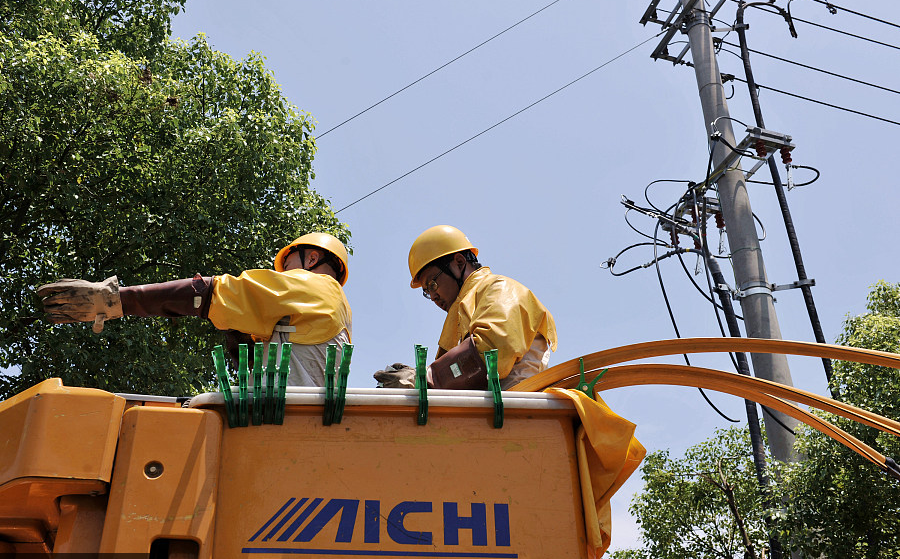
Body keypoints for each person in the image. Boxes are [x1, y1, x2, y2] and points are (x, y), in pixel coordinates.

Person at [37, 232, 352, 387]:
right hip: (303, 424)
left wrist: (117, 300)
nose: (284, 274)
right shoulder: (338, 313)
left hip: (281, 423)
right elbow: (282, 358)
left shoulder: (316, 287)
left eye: (289, 264)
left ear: (311, 260)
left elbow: (210, 293)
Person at [375, 225, 556, 390]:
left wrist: (422, 379)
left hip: (518, 412)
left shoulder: (500, 288)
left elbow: (492, 353)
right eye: (426, 292)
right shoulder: (464, 310)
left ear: (459, 262)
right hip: (493, 416)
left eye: (432, 284)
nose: (433, 297)